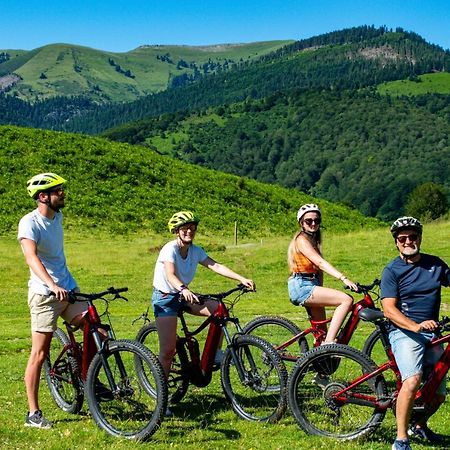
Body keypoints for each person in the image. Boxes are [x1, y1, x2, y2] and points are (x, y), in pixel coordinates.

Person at [18, 173, 87, 429]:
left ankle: (90, 377)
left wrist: (62, 284)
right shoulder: (29, 223)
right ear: (43, 196)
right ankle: (33, 413)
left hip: (67, 288)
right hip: (45, 295)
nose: (63, 194)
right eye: (58, 191)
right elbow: (31, 258)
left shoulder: (58, 217)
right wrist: (51, 285)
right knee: (39, 353)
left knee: (96, 329)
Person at [152, 211, 255, 381]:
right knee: (168, 351)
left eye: (192, 228)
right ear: (176, 231)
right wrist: (183, 288)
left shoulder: (195, 250)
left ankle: (215, 353)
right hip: (165, 298)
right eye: (185, 228)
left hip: (184, 295)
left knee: (219, 310)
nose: (189, 231)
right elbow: (170, 274)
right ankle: (161, 396)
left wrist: (241, 278)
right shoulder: (169, 249)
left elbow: (215, 265)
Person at [381, 216, 450, 450]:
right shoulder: (392, 270)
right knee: (412, 381)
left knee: (439, 392)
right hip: (404, 332)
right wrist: (415, 326)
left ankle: (419, 425)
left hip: (433, 333)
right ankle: (401, 439)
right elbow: (389, 309)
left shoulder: (436, 264)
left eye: (413, 236)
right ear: (396, 243)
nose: (408, 241)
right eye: (403, 238)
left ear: (420, 238)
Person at [287, 203, 358, 344]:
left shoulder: (313, 240)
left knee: (320, 334)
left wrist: (320, 288)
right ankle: (329, 343)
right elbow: (320, 263)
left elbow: (318, 270)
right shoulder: (301, 240)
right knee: (346, 300)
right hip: (302, 286)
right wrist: (343, 278)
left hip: (310, 284)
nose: (313, 224)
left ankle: (319, 357)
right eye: (309, 221)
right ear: (301, 222)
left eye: (317, 220)